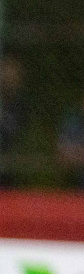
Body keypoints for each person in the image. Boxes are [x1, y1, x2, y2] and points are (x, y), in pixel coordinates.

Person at [0, 58, 25, 187]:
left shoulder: (22, 105)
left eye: (13, 75)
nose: (8, 78)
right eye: (5, 73)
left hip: (11, 161)